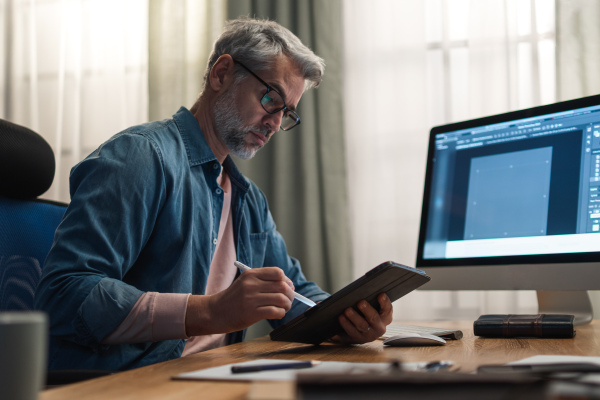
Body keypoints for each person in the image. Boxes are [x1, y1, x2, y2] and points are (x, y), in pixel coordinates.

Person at [34, 17, 393, 371]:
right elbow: (64, 295)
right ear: (221, 74)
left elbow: (293, 291)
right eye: (271, 98)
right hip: (130, 384)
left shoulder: (246, 198)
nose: (274, 123)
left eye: (286, 113)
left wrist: (349, 321)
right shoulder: (139, 157)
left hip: (211, 376)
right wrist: (209, 312)